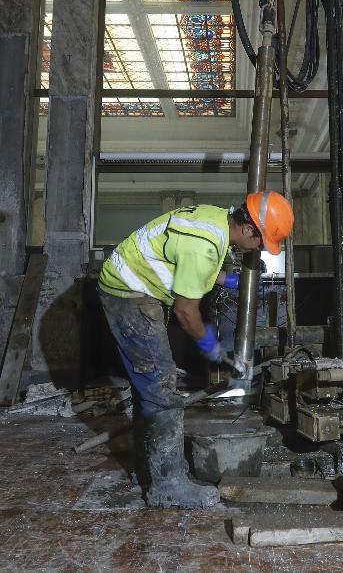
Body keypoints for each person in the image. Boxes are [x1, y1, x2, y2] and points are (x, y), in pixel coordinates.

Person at [96, 190, 293, 509]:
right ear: (247, 229)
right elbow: (188, 312)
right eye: (260, 241)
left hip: (124, 284)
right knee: (162, 388)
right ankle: (169, 485)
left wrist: (234, 282)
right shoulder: (206, 244)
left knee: (148, 387)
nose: (259, 249)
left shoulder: (215, 219)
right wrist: (212, 349)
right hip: (129, 295)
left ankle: (149, 472)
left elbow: (200, 266)